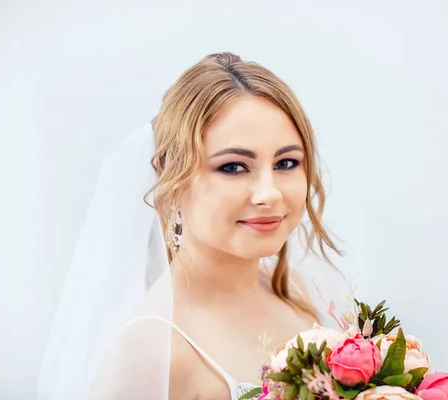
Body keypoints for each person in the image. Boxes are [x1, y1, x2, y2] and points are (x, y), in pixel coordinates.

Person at [37, 52, 352, 400]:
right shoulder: (152, 352)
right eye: (233, 167)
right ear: (172, 178)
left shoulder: (301, 292)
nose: (269, 193)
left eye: (286, 162)